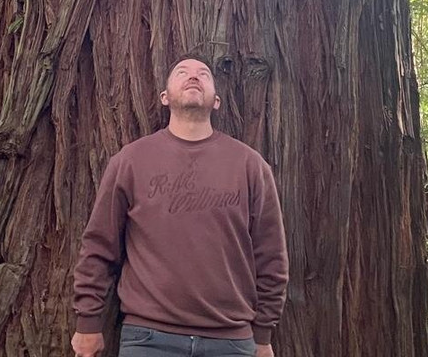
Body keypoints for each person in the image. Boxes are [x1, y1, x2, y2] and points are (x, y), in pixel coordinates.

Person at [71, 56, 289, 357]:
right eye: (182, 72)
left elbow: (272, 257)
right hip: (149, 338)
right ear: (164, 97)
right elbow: (98, 246)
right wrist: (88, 322)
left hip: (231, 341)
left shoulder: (250, 166)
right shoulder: (131, 161)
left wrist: (263, 333)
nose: (193, 77)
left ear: (216, 102)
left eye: (204, 74)